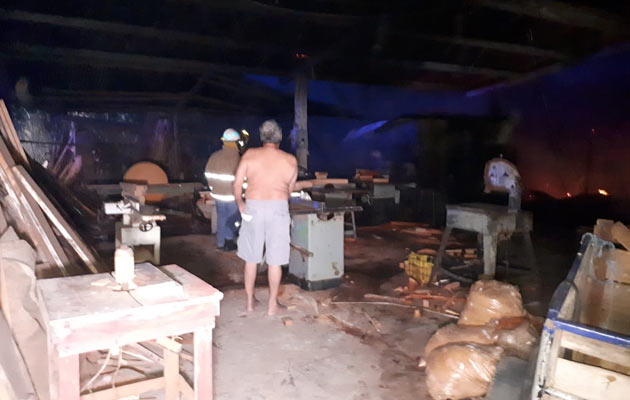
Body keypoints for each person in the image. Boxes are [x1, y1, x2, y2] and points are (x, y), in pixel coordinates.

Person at [233, 120, 298, 315]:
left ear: (262, 137)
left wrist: (241, 204)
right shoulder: (290, 160)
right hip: (278, 209)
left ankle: (250, 304)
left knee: (251, 259)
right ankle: (272, 306)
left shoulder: (250, 155)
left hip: (252, 207)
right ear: (279, 138)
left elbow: (237, 184)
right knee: (275, 260)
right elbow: (290, 189)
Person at [205, 128, 242, 251]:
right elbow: (243, 179)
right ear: (236, 142)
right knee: (233, 219)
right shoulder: (238, 158)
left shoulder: (214, 156)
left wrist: (212, 188)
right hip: (232, 196)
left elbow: (208, 174)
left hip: (218, 194)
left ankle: (220, 243)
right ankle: (229, 242)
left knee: (222, 218)